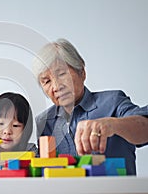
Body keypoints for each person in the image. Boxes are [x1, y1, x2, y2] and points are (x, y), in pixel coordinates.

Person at [32, 38, 148, 175]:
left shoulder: (113, 101)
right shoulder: (43, 123)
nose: (56, 87)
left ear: (82, 71)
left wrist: (113, 124)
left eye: (62, 74)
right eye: (47, 81)